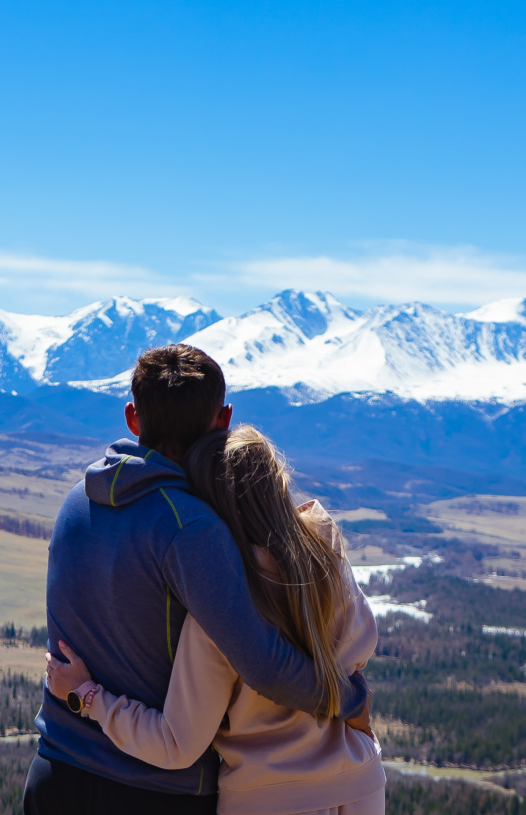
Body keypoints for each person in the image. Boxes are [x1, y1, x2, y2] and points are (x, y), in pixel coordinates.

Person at [25, 344, 371, 815]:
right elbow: (263, 663)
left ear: (132, 417)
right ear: (223, 419)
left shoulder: (76, 502)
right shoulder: (192, 528)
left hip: (57, 771)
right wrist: (349, 699)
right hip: (154, 789)